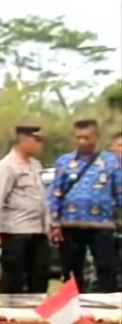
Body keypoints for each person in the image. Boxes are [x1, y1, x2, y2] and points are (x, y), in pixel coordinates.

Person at [48, 119, 120, 293]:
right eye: (78, 137)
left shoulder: (112, 161)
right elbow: (55, 193)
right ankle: (70, 314)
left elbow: (119, 190)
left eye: (87, 137)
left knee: (107, 268)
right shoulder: (64, 162)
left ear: (96, 137)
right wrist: (54, 222)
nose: (82, 142)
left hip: (102, 224)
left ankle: (107, 314)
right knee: (71, 273)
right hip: (70, 224)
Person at [0, 126, 50, 294]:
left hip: (38, 230)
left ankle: (38, 315)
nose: (40, 145)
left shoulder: (35, 164)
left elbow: (42, 197)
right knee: (14, 277)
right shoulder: (7, 165)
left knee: (40, 274)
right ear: (25, 140)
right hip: (16, 230)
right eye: (37, 140)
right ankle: (11, 314)